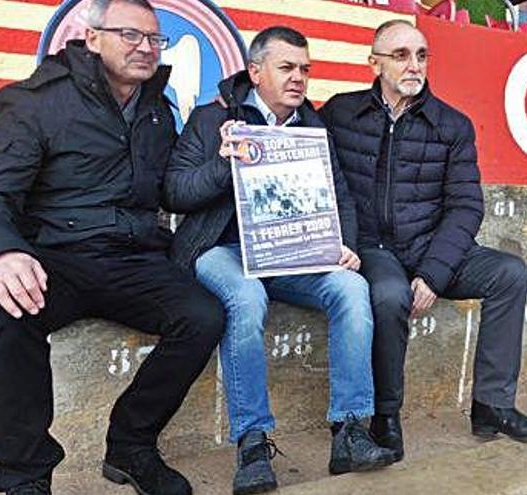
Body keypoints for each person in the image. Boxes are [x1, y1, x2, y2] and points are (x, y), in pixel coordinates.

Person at [0, 1, 227, 494]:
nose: (145, 48)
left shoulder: (155, 109)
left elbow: (168, 191)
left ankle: (131, 446)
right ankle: (23, 477)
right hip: (56, 255)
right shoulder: (36, 101)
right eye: (130, 35)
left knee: (204, 315)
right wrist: (0, 254)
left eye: (153, 39)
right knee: (8, 316)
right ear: (91, 35)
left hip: (133, 258)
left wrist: (224, 157)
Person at [164, 26, 395, 495]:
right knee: (246, 300)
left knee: (352, 288)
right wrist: (223, 165)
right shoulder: (213, 119)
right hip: (220, 250)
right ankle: (252, 441)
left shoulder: (312, 127)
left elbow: (341, 196)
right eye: (287, 67)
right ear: (255, 71)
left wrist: (343, 243)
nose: (299, 78)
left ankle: (350, 430)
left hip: (292, 251)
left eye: (305, 69)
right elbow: (175, 190)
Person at [319, 20, 527, 462]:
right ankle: (385, 417)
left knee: (510, 273)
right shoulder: (339, 112)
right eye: (401, 55)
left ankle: (493, 406)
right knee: (389, 295)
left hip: (430, 247)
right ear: (374, 63)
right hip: (373, 248)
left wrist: (433, 273)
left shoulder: (452, 125)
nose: (414, 65)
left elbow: (466, 206)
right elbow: (288, 131)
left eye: (422, 55)